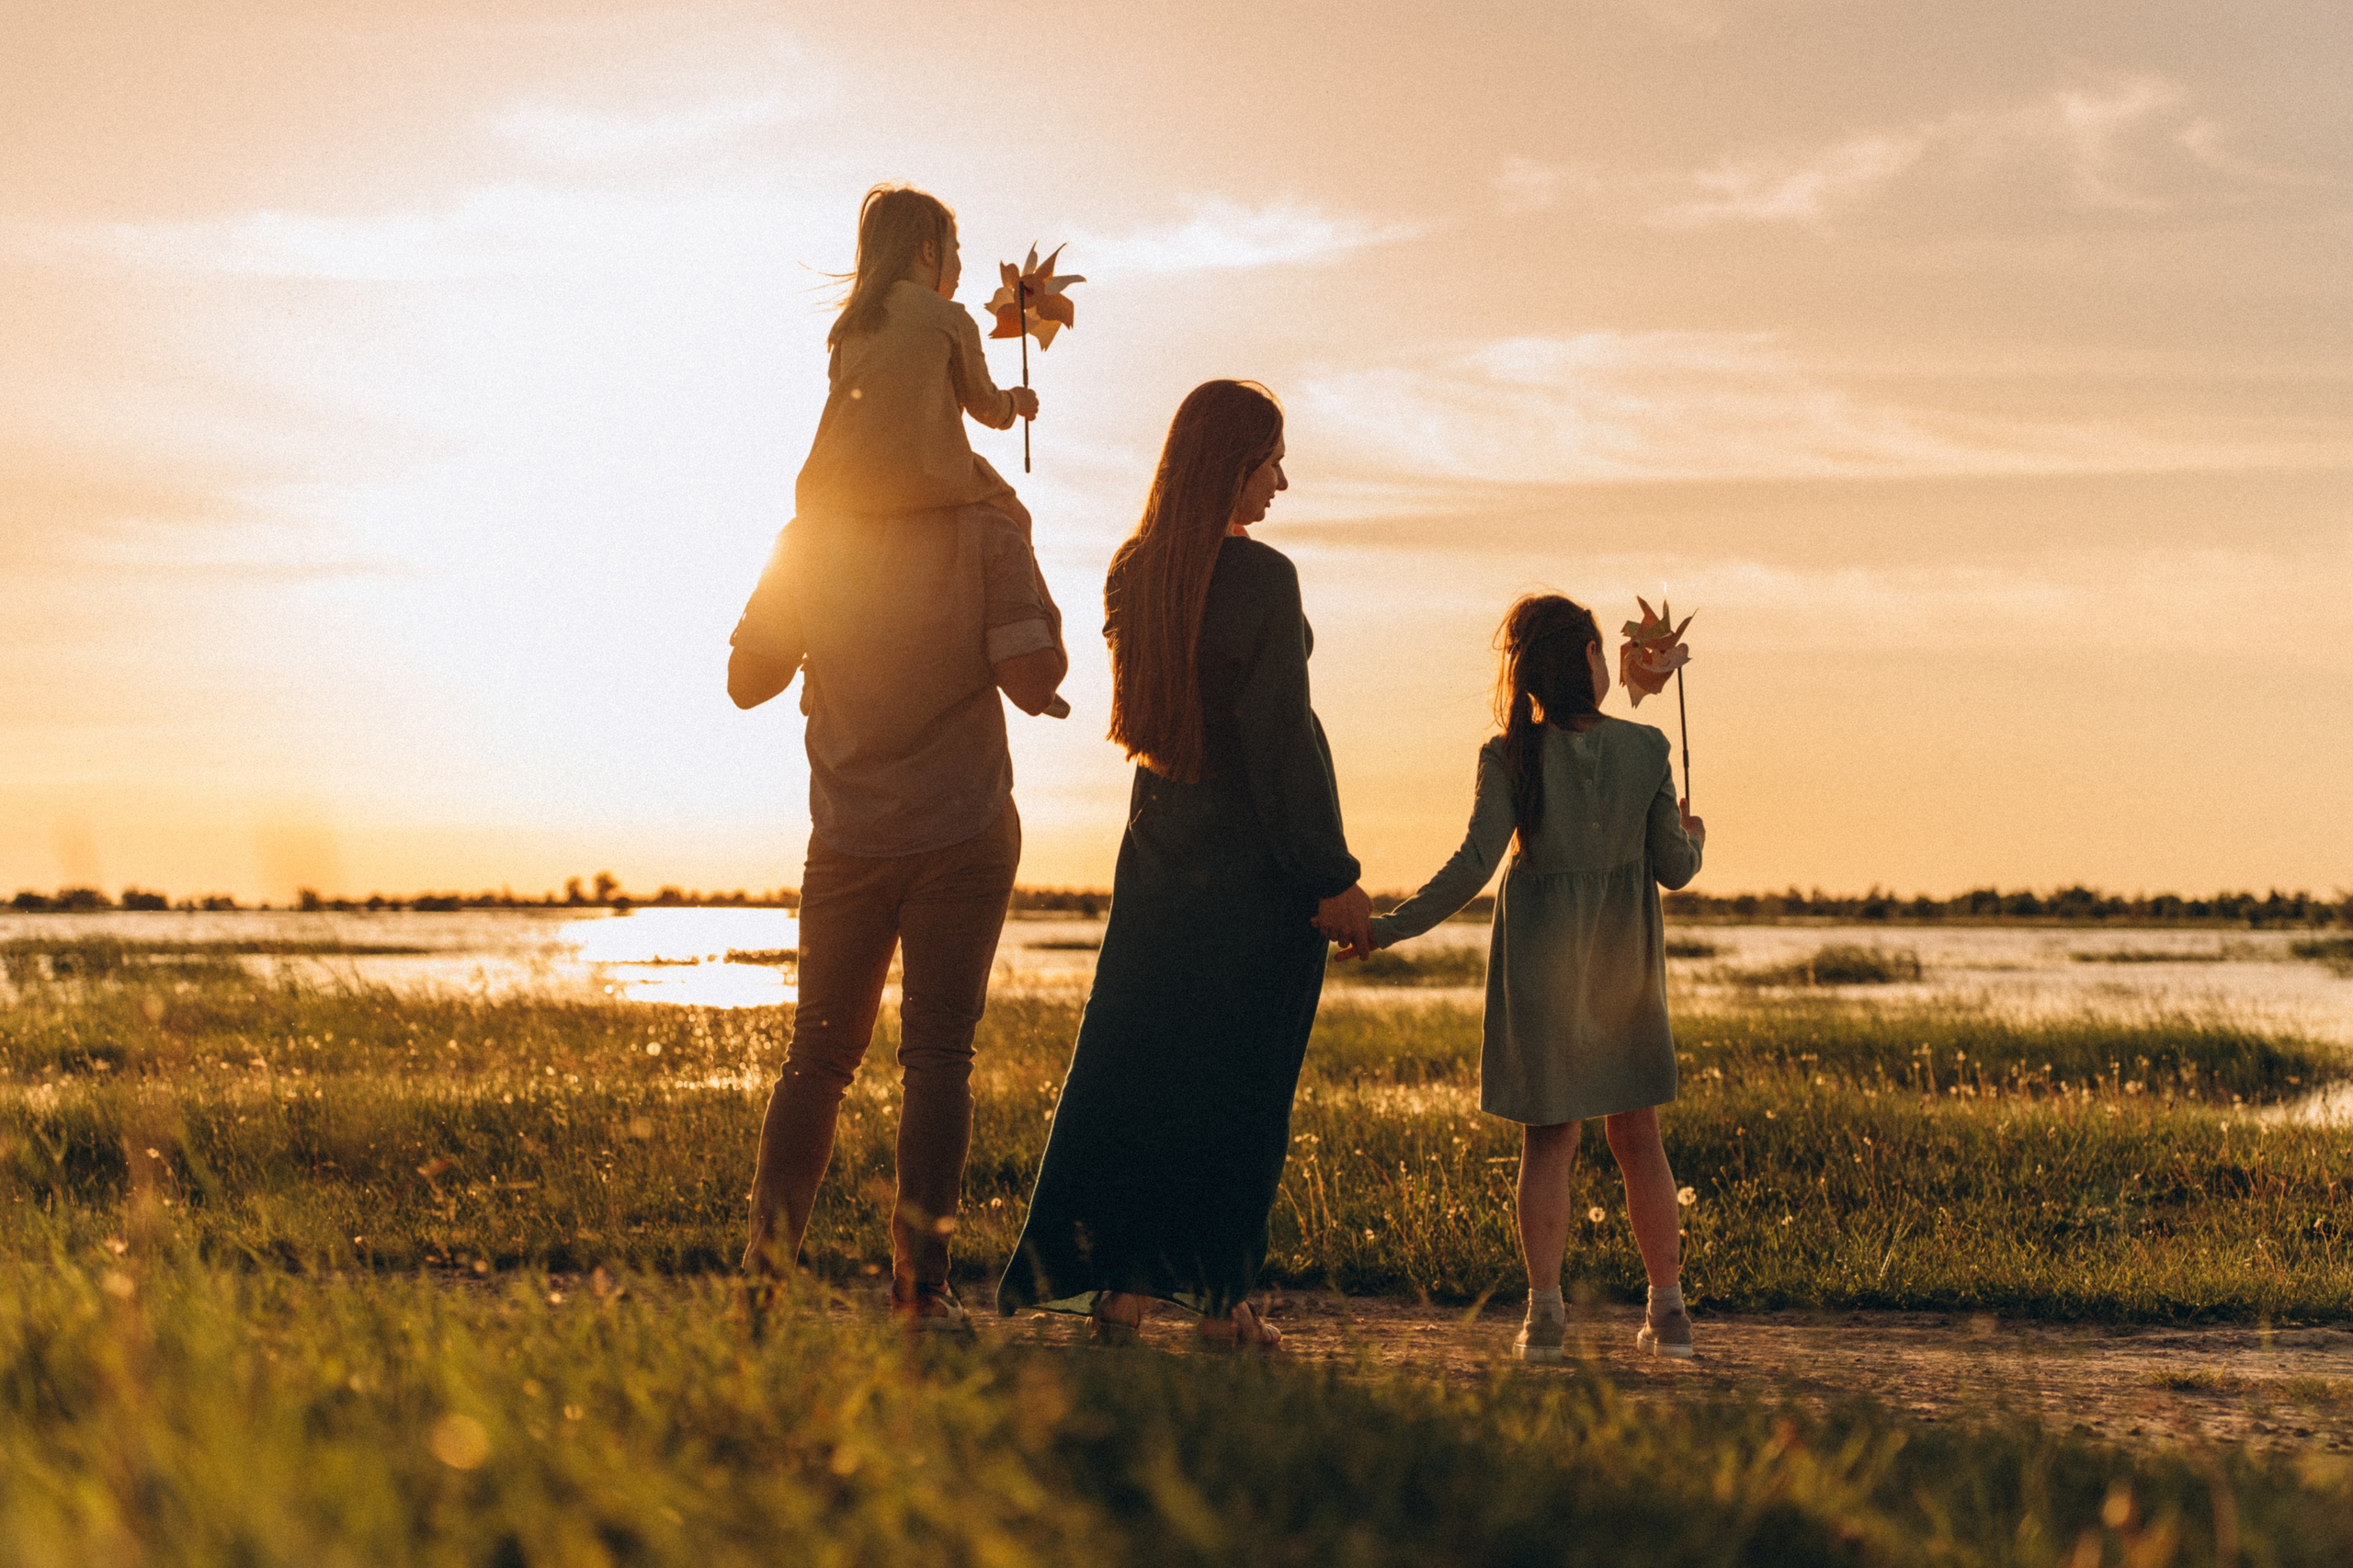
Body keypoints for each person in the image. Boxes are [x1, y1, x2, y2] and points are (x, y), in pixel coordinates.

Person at [997, 380, 1373, 1348]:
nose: (1281, 481)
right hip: (1255, 868)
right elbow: (1277, 738)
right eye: (1270, 460)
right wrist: (1330, 871)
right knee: (1238, 1088)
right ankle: (1224, 1304)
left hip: (1161, 856)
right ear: (1229, 462)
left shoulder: (1134, 568)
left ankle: (1118, 1290)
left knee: (1138, 1073)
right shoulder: (1263, 578)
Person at [726, 494, 1067, 1331]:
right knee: (939, 1057)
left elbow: (746, 683)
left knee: (815, 1059)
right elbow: (1034, 682)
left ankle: (761, 1288)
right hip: (965, 826)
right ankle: (922, 1297)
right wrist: (1019, 551)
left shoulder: (811, 529)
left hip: (848, 830)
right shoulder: (986, 522)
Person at [1359, 594, 1705, 1361]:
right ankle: (1670, 1313)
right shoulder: (1648, 748)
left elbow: (1472, 867)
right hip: (1624, 969)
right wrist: (1695, 836)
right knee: (1638, 1138)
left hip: (1541, 971)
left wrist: (1387, 928)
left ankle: (1545, 1317)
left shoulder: (1508, 754)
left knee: (1548, 1143)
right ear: (1589, 657)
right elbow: (1674, 870)